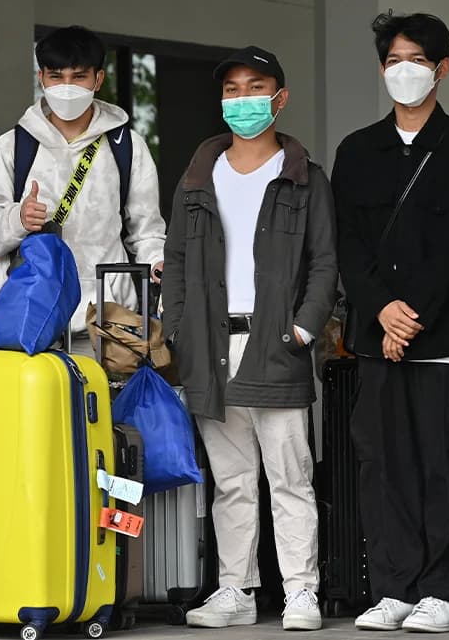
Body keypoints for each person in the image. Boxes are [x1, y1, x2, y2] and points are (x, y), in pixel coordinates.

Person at [164, 46, 336, 631]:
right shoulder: (197, 174)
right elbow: (178, 259)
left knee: (291, 477)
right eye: (232, 91)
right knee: (232, 481)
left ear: (280, 99)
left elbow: (324, 262)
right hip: (211, 346)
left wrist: (303, 328)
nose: (242, 101)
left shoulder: (305, 176)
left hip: (276, 343)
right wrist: (178, 331)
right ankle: (234, 590)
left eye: (255, 88)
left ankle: (300, 592)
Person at [333, 12, 449, 634]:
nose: (404, 71)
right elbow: (348, 245)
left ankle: (445, 590)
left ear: (442, 68)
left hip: (445, 338)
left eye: (417, 60)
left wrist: (408, 317)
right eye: (393, 60)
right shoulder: (358, 149)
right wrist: (380, 310)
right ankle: (392, 587)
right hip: (376, 339)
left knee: (441, 465)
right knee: (382, 465)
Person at [0, 25, 165, 352]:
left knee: (104, 403)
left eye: (79, 77)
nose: (67, 87)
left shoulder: (126, 146)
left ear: (98, 80)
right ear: (41, 77)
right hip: (28, 318)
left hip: (108, 320)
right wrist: (17, 219)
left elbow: (146, 230)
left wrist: (157, 261)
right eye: (56, 77)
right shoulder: (13, 146)